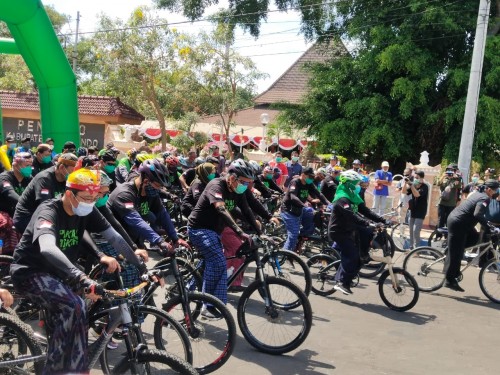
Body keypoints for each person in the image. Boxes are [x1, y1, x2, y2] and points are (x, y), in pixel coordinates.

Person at [10, 168, 145, 374]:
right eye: (85, 197)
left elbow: (115, 238)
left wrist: (141, 266)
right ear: (68, 193)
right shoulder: (49, 211)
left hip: (59, 273)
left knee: (86, 308)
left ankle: (78, 365)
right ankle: (56, 370)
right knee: (74, 306)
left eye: (94, 197)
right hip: (30, 272)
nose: (90, 202)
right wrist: (80, 276)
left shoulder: (88, 209)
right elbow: (47, 247)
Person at [187, 160, 260, 317]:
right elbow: (220, 208)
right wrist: (239, 231)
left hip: (215, 231)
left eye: (248, 183)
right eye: (243, 182)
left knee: (206, 265)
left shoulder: (237, 191)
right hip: (199, 229)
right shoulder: (216, 185)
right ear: (232, 177)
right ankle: (208, 305)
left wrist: (259, 232)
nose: (245, 186)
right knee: (218, 261)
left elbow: (247, 211)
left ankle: (188, 290)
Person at [107, 159, 189, 250]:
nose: (159, 189)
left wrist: (175, 238)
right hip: (113, 240)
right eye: (158, 186)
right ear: (146, 181)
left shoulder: (150, 193)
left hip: (133, 239)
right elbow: (136, 221)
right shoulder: (124, 194)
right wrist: (159, 241)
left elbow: (162, 214)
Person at [328, 171, 387, 295]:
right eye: (356, 183)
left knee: (361, 256)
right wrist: (367, 223)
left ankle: (348, 277)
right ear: (349, 183)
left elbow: (366, 211)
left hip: (350, 229)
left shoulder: (354, 196)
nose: (358, 185)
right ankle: (341, 282)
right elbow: (351, 215)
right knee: (352, 255)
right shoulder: (342, 198)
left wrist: (382, 220)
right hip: (339, 231)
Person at [443, 179, 499, 292]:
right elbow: (477, 213)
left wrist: (488, 225)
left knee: (474, 238)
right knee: (457, 252)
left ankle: (452, 249)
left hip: (463, 224)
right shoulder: (485, 198)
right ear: (488, 189)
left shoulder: (480, 194)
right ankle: (449, 280)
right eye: (495, 190)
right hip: (458, 223)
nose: (496, 192)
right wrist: (489, 226)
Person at [14, 153, 78, 234]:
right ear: (61, 168)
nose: (74, 176)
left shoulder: (67, 180)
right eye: (72, 172)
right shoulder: (44, 179)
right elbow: (45, 206)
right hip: (27, 217)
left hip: (47, 214)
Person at [280, 167, 329, 253]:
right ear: (303, 175)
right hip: (289, 211)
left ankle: (301, 236)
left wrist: (328, 204)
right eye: (309, 177)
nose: (311, 179)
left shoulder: (309, 184)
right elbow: (293, 197)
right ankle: (285, 253)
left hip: (300, 209)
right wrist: (304, 206)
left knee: (313, 215)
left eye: (312, 177)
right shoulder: (295, 182)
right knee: (293, 234)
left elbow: (319, 194)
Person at [0, 152, 33, 218]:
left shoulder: (29, 179)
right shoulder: (4, 177)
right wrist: (27, 205)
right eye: (26, 166)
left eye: (30, 165)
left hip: (22, 213)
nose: (29, 168)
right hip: (6, 215)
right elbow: (10, 194)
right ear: (15, 165)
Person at [406, 170, 428, 249]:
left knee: (416, 230)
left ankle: (417, 249)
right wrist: (406, 183)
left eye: (416, 177)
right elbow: (404, 192)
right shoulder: (414, 185)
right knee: (411, 230)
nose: (415, 179)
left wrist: (411, 185)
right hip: (413, 210)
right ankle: (411, 248)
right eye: (414, 177)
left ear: (421, 178)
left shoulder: (425, 187)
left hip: (420, 211)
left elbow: (417, 194)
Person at [437, 164, 461, 229]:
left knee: (449, 220)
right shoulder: (444, 178)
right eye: (449, 170)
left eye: (452, 170)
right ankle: (438, 235)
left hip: (451, 203)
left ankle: (447, 236)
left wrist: (456, 177)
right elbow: (438, 183)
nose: (450, 171)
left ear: (455, 171)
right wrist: (443, 176)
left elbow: (458, 185)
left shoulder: (457, 179)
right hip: (442, 202)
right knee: (440, 219)